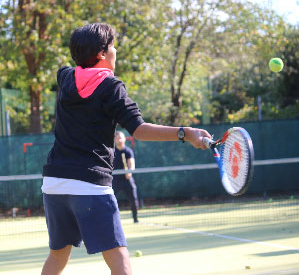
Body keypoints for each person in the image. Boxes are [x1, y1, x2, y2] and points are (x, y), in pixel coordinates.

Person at [41, 23, 211, 275]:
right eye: (112, 46)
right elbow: (139, 129)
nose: (115, 50)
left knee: (57, 255)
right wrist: (185, 133)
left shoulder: (65, 76)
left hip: (53, 183)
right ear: (101, 54)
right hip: (89, 183)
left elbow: (76, 70)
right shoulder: (111, 87)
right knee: (120, 259)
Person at [113, 131, 139, 223]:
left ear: (124, 139)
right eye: (117, 138)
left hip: (127, 179)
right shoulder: (112, 151)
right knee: (110, 200)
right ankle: (112, 219)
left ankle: (135, 219)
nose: (119, 140)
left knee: (134, 198)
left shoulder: (128, 151)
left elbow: (131, 164)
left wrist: (129, 172)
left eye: (121, 138)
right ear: (115, 140)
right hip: (115, 179)